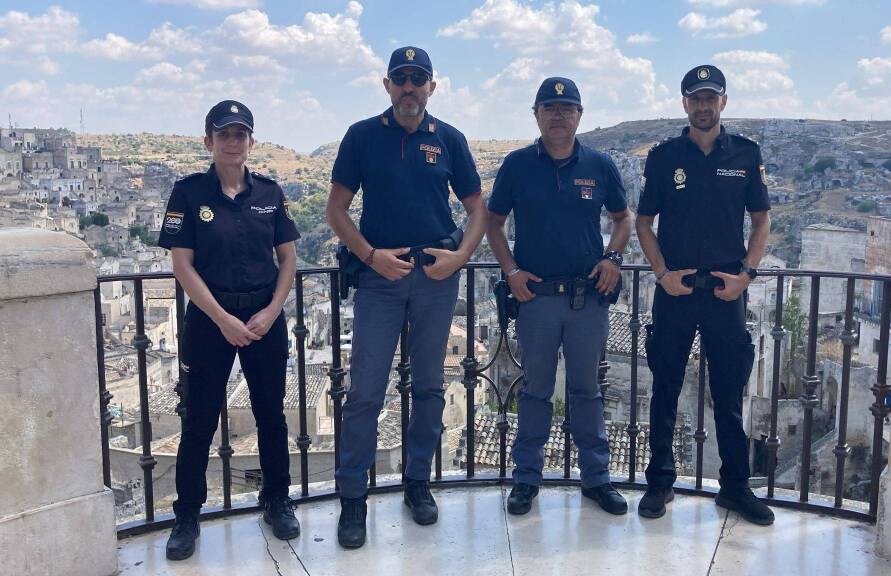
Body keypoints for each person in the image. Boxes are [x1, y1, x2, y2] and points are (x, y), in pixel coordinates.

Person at [325, 46, 486, 549]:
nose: (410, 87)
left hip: (436, 279)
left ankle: (418, 483)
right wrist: (371, 256)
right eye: (402, 79)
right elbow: (336, 210)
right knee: (366, 391)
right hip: (380, 279)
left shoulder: (450, 140)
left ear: (432, 87)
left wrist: (458, 259)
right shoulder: (362, 136)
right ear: (388, 85)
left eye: (419, 79)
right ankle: (354, 495)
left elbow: (478, 210)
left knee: (431, 388)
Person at [158, 100, 301, 561]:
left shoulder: (271, 193)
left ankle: (277, 500)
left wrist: (272, 311)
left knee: (271, 415)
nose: (233, 141)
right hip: (209, 320)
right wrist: (223, 318)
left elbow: (289, 259)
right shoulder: (187, 194)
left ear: (251, 142)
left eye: (241, 134)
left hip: (263, 319)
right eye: (224, 134)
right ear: (208, 141)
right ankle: (187, 516)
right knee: (198, 419)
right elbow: (182, 265)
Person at [487, 77, 634, 516]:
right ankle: (526, 480)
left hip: (587, 298)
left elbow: (623, 220)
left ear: (580, 115)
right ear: (536, 114)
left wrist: (613, 258)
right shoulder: (516, 165)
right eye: (549, 107)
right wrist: (510, 271)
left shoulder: (600, 164)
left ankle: (597, 479)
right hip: (536, 298)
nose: (557, 114)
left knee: (587, 390)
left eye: (566, 107)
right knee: (535, 391)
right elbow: (494, 224)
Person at [634, 65, 774, 525]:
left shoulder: (746, 155)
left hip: (725, 291)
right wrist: (660, 274)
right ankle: (660, 483)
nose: (703, 105)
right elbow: (642, 222)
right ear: (685, 104)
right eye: (696, 98)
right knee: (665, 388)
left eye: (711, 97)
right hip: (675, 291)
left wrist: (747, 276)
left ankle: (735, 487)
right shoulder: (664, 156)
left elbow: (761, 220)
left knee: (729, 392)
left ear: (723, 103)